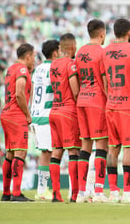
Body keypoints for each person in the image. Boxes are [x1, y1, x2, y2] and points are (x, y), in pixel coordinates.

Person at [101, 18, 130, 203]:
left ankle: (113, 191)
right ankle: (127, 191)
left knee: (112, 149)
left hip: (111, 105)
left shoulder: (105, 51)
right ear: (129, 32)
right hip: (128, 105)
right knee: (129, 148)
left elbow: (104, 81)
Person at [75, 19, 108, 203]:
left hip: (82, 100)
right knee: (101, 146)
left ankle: (81, 192)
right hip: (97, 101)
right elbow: (104, 80)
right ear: (102, 34)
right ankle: (98, 190)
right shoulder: (102, 53)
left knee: (85, 147)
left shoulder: (80, 52)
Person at [0, 43, 35, 202]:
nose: (34, 59)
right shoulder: (22, 70)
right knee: (20, 152)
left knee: (10, 153)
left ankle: (6, 193)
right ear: (27, 56)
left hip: (6, 113)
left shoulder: (11, 69)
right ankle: (16, 193)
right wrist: (27, 115)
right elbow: (20, 93)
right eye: (33, 56)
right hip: (16, 115)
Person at [49, 33, 81, 202]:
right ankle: (75, 194)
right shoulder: (71, 64)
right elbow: (75, 91)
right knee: (74, 151)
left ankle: (56, 193)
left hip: (54, 111)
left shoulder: (53, 64)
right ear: (73, 47)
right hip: (68, 112)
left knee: (56, 152)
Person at [30, 39, 59, 200]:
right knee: (50, 152)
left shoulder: (38, 69)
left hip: (35, 113)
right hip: (46, 115)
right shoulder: (53, 68)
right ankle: (43, 190)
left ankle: (43, 189)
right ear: (55, 52)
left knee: (45, 152)